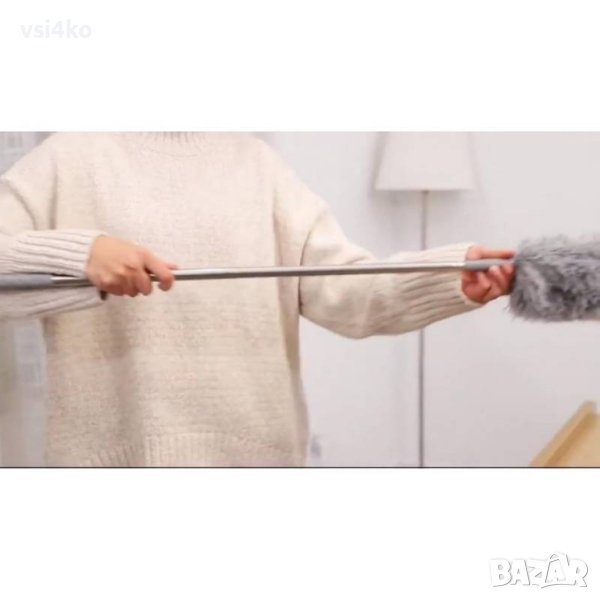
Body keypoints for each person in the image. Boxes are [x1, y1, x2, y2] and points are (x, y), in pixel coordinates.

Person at [0, 133, 514, 466]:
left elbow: (347, 290)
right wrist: (82, 254)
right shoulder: (69, 156)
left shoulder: (260, 166)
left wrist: (446, 277)